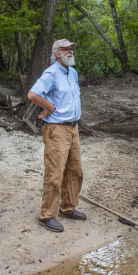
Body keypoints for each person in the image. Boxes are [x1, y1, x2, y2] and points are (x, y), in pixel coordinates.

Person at [27, 39, 85, 232]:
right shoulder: (51, 73)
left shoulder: (73, 72)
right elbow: (33, 94)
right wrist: (49, 106)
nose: (70, 52)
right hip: (57, 129)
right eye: (66, 50)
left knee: (75, 171)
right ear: (57, 53)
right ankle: (47, 216)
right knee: (54, 174)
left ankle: (68, 208)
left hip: (73, 128)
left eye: (71, 49)